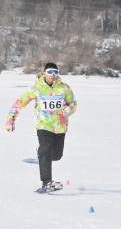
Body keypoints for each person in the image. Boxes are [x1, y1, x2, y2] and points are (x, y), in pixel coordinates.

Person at [4, 62, 78, 193]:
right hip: (43, 125)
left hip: (60, 127)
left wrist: (66, 112)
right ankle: (47, 182)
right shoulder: (37, 88)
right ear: (44, 73)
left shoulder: (64, 88)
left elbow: (73, 104)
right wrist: (11, 118)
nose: (53, 75)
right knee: (46, 148)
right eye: (50, 72)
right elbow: (20, 102)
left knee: (56, 155)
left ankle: (42, 153)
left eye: (56, 72)